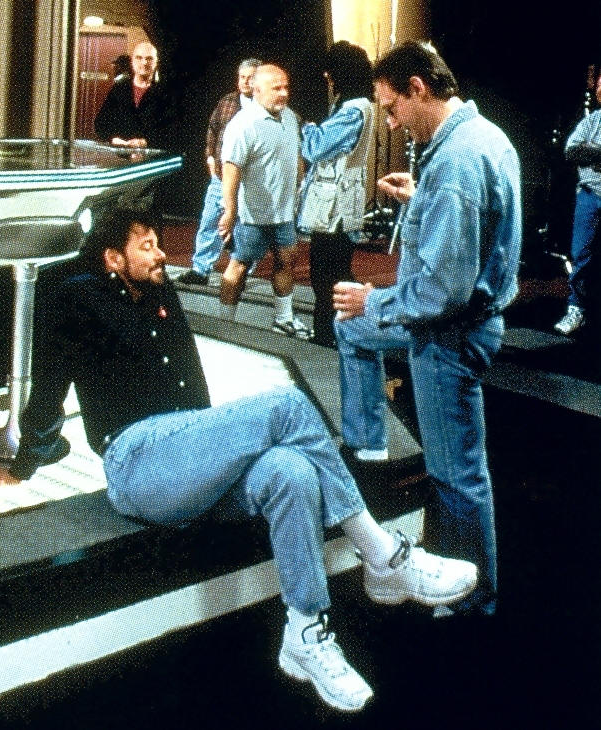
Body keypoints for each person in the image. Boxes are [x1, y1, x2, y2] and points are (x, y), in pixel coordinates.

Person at [0, 208, 477, 712]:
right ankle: (384, 555)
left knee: (291, 472)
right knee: (287, 406)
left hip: (189, 457)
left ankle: (305, 632)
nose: (161, 253)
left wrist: (221, 453)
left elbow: (194, 390)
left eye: (158, 242)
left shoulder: (162, 292)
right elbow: (48, 395)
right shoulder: (77, 299)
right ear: (112, 259)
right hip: (137, 462)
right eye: (146, 245)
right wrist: (20, 466)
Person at [333, 41, 522, 617]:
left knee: (457, 476)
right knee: (352, 329)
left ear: (418, 88)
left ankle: (472, 602)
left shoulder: (456, 164)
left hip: (449, 336)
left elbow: (441, 293)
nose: (391, 122)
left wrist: (374, 299)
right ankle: (368, 449)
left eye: (392, 107)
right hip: (459, 324)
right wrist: (421, 200)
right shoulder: (483, 138)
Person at [218, 64, 312, 339]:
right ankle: (224, 325)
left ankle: (283, 319)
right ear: (257, 90)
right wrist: (230, 211)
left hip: (284, 213)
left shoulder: (290, 117)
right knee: (238, 267)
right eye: (276, 88)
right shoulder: (242, 124)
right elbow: (231, 169)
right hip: (252, 216)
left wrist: (300, 184)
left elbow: (295, 155)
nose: (284, 93)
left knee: (286, 261)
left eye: (286, 87)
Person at [297, 41, 375, 347]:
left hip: (336, 207)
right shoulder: (357, 106)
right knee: (334, 272)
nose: (327, 77)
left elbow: (315, 148)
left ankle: (329, 335)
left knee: (326, 275)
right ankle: (338, 332)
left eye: (330, 71)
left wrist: (306, 126)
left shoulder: (353, 110)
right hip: (341, 203)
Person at [176, 58, 262, 287]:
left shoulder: (266, 106)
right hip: (221, 177)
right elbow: (212, 130)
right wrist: (210, 157)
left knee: (245, 226)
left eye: (251, 78)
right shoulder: (227, 102)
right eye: (242, 77)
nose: (245, 82)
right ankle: (200, 270)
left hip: (250, 180)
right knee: (210, 221)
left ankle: (242, 270)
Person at [553, 73, 601, 335]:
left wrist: (590, 150)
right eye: (600, 84)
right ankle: (576, 309)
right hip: (589, 195)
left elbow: (582, 151)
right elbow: (571, 150)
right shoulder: (591, 121)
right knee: (581, 255)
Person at [94, 41, 171, 149]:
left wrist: (145, 142)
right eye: (139, 58)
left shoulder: (166, 92)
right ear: (132, 61)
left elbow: (172, 129)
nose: (144, 63)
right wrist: (113, 138)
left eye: (149, 58)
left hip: (152, 154)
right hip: (121, 153)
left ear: (156, 62)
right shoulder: (119, 89)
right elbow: (101, 123)